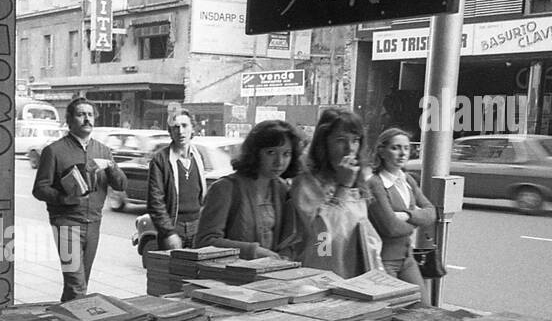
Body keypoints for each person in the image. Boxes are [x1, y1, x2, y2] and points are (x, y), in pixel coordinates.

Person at [32, 98, 127, 302]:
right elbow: (39, 189)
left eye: (90, 115)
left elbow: (121, 185)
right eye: (81, 114)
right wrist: (64, 198)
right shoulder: (54, 151)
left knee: (78, 282)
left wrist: (111, 168)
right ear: (69, 120)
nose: (87, 119)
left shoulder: (103, 150)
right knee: (77, 285)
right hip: (66, 224)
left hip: (93, 223)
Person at [287, 108, 382, 276]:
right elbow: (322, 239)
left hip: (355, 272)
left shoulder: (357, 181)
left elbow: (362, 231)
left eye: (355, 140)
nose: (349, 148)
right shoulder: (306, 183)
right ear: (324, 143)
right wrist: (343, 187)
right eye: (340, 140)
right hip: (320, 273)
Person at [194, 119, 302, 257]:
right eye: (271, 152)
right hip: (228, 275)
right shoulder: (225, 188)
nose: (279, 161)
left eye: (286, 154)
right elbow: (204, 242)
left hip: (268, 275)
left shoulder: (282, 189)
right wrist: (252, 251)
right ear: (255, 152)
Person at [366, 127, 435, 293]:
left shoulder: (408, 179)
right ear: (382, 152)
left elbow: (431, 212)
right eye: (395, 148)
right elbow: (391, 227)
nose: (402, 154)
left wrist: (407, 215)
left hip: (407, 257)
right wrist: (417, 220)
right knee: (392, 310)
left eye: (406, 148)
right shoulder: (375, 183)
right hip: (384, 260)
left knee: (422, 305)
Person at [147, 111, 208, 250]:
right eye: (175, 127)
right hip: (174, 229)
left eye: (184, 125)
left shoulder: (199, 157)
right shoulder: (160, 160)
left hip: (197, 228)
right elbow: (155, 202)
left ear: (193, 128)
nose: (180, 131)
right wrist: (169, 233)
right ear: (170, 131)